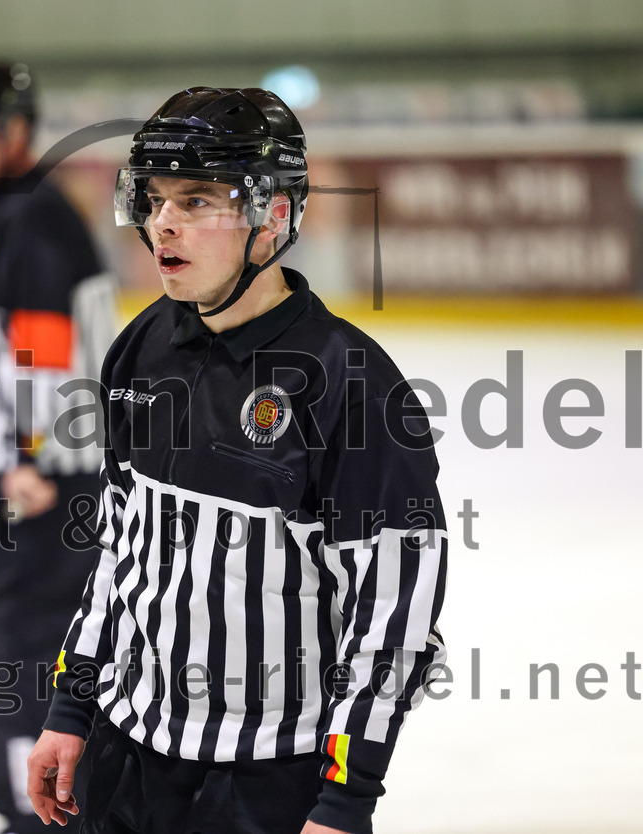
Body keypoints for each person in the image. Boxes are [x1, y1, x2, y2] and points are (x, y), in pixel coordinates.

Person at [26, 87, 447, 834]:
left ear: (273, 215)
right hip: (127, 760)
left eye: (195, 200)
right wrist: (72, 707)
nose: (163, 223)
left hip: (268, 784)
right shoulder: (142, 345)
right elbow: (122, 554)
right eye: (154, 199)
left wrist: (344, 802)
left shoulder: (350, 384)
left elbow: (393, 615)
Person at [0, 62, 116, 834]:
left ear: (19, 131)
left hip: (55, 480)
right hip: (43, 473)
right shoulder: (17, 213)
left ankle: (38, 809)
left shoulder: (31, 219)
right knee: (24, 639)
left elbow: (43, 349)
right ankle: (45, 804)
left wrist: (26, 461)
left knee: (20, 643)